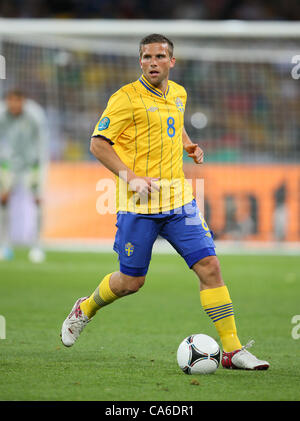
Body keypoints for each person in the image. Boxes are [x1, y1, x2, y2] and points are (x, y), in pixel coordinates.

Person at [61, 34, 269, 370]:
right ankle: (84, 309)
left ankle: (231, 350)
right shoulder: (125, 98)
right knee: (131, 281)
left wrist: (188, 144)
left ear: (172, 61)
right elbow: (98, 144)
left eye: (159, 56)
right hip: (138, 204)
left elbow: (174, 123)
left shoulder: (179, 93)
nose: (152, 62)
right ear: (139, 61)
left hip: (179, 202)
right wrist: (131, 177)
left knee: (210, 267)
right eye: (146, 57)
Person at [0, 89, 48, 262]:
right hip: (9, 164)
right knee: (3, 202)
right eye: (10, 101)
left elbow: (42, 142)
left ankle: (37, 246)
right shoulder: (2, 115)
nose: (13, 105)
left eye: (17, 101)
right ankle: (4, 246)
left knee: (37, 202)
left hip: (31, 165)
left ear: (23, 101)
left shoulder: (35, 115)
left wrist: (39, 167)